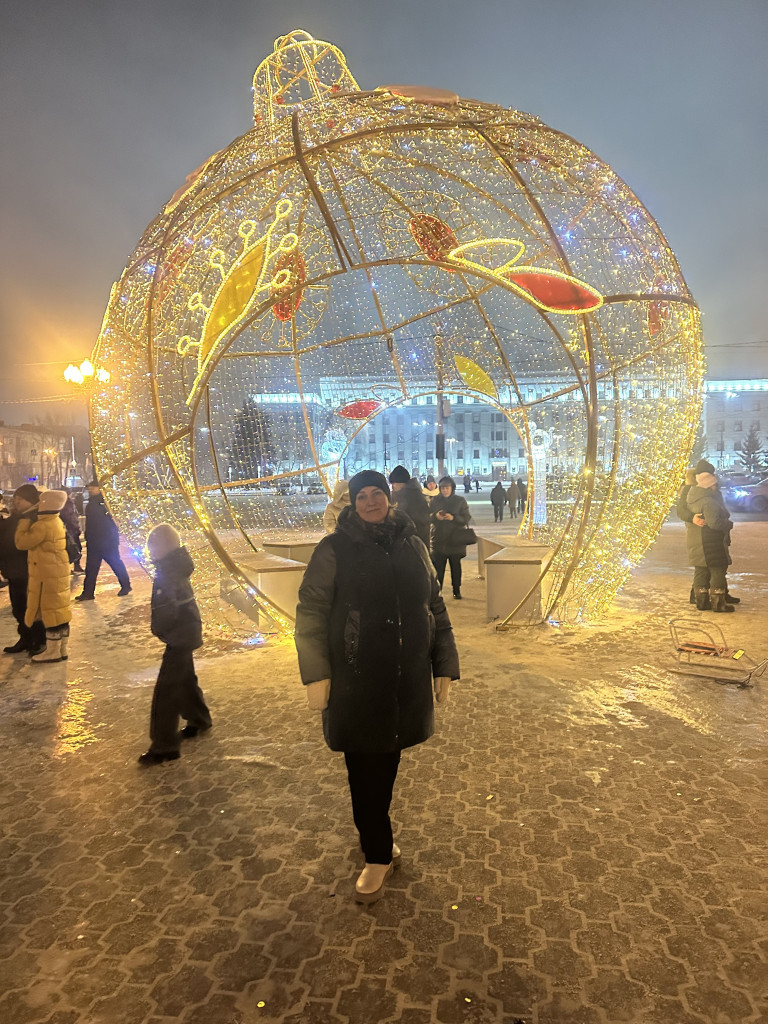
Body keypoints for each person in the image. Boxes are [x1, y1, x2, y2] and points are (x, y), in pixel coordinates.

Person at [295, 470, 459, 904]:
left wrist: (444, 664)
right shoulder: (334, 548)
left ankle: (376, 835)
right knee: (364, 770)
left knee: (384, 766)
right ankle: (377, 854)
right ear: (352, 503)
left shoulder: (413, 544)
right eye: (361, 496)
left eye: (377, 494)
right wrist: (317, 673)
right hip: (355, 679)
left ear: (390, 498)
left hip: (405, 679)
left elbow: (434, 605)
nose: (370, 502)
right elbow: (310, 611)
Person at [138, 524, 211, 765]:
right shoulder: (173, 566)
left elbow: (167, 610)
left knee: (166, 692)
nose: (149, 551)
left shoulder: (167, 573)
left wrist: (159, 629)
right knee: (184, 678)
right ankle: (199, 718)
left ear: (164, 547)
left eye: (152, 546)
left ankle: (164, 745)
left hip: (179, 636)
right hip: (186, 632)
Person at [14, 489, 72, 663]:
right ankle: (61, 649)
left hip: (46, 576)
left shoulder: (43, 525)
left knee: (51, 613)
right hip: (56, 574)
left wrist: (24, 521)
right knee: (59, 612)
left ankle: (52, 652)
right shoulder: (56, 521)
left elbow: (21, 542)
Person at [0, 484, 46, 656]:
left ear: (31, 500)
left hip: (29, 571)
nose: (17, 502)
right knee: (18, 609)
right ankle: (25, 638)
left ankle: (39, 640)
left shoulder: (36, 518)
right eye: (15, 499)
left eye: (20, 499)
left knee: (33, 608)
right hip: (14, 570)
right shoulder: (16, 517)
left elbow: (25, 543)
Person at [686, 460, 734, 613]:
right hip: (711, 542)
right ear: (709, 484)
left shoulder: (693, 497)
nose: (716, 486)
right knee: (718, 569)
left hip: (698, 540)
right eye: (714, 483)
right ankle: (719, 603)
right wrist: (728, 524)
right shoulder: (709, 501)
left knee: (701, 570)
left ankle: (701, 601)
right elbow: (715, 523)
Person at [75, 480, 131, 601]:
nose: (90, 490)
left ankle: (126, 585)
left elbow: (111, 522)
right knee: (91, 568)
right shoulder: (92, 503)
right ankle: (88, 592)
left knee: (115, 563)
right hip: (94, 541)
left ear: (100, 489)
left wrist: (110, 538)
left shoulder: (106, 503)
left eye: (93, 488)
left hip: (107, 541)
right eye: (89, 488)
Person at [430, 475, 472, 600]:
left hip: (455, 540)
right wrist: (436, 516)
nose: (445, 490)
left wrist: (453, 518)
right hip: (439, 539)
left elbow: (466, 518)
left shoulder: (460, 501)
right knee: (438, 569)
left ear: (452, 488)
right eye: (442, 488)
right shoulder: (435, 501)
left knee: (455, 567)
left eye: (447, 488)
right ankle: (438, 591)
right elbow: (427, 516)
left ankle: (456, 590)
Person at [388, 465, 430, 547]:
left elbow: (418, 523)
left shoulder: (413, 497)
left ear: (402, 483)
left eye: (394, 483)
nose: (392, 486)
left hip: (414, 544)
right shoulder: (402, 495)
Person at [60, 490, 84, 574]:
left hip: (70, 530)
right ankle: (73, 566)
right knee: (75, 548)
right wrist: (76, 528)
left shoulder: (64, 503)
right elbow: (70, 518)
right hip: (71, 530)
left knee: (73, 548)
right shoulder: (68, 503)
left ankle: (74, 566)